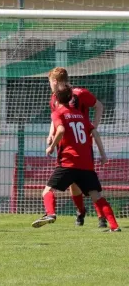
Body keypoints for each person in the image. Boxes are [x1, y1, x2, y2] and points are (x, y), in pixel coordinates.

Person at [32, 86, 120, 232]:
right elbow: (95, 134)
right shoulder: (80, 115)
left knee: (47, 191)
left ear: (57, 99)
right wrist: (103, 155)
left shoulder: (58, 113)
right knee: (97, 196)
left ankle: (51, 213)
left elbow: (60, 130)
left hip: (68, 162)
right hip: (86, 164)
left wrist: (52, 146)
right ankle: (114, 226)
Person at [47, 67, 107, 228]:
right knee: (74, 183)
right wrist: (50, 134)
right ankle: (81, 212)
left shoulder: (80, 93)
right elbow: (56, 118)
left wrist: (94, 126)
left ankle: (101, 217)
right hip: (65, 145)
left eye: (50, 83)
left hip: (82, 146)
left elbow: (99, 105)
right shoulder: (54, 98)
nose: (50, 87)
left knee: (89, 182)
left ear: (54, 81)